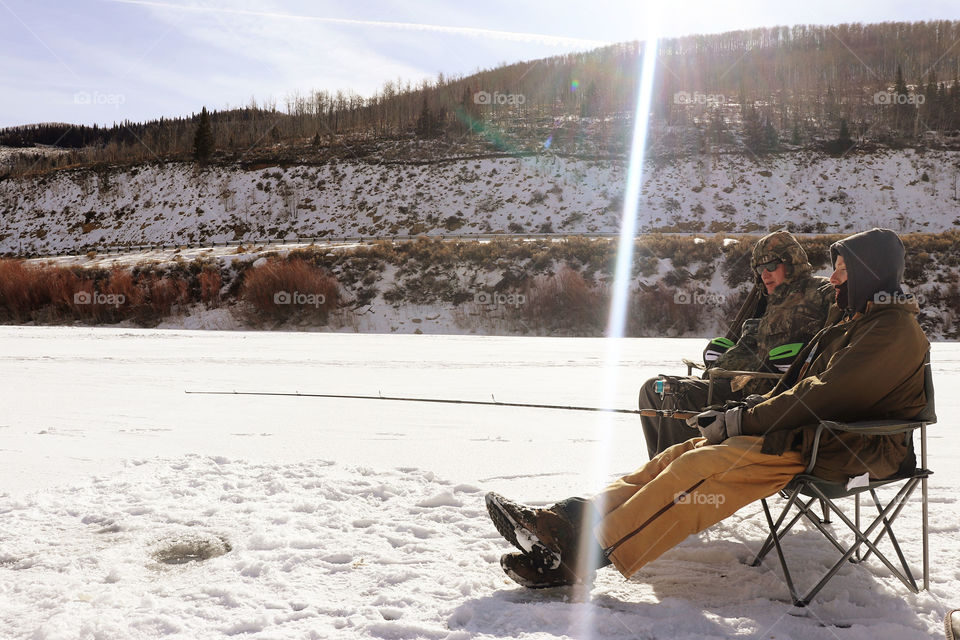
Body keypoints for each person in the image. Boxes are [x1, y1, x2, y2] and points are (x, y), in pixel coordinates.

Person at [487, 228, 928, 589]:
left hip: (842, 450)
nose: (833, 279)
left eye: (843, 270)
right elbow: (801, 387)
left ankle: (575, 559)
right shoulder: (856, 323)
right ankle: (560, 521)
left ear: (870, 273)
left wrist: (742, 419)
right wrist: (746, 408)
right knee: (675, 456)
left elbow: (821, 396)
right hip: (807, 435)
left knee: (695, 471)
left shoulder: (892, 331)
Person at [639, 231, 834, 459]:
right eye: (759, 269)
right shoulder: (766, 301)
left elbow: (840, 339)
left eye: (771, 265)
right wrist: (720, 357)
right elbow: (749, 350)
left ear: (791, 261)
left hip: (764, 395)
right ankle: (661, 468)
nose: (765, 274)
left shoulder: (822, 291)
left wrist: (803, 360)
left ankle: (677, 473)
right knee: (654, 389)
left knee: (676, 394)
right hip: (732, 383)